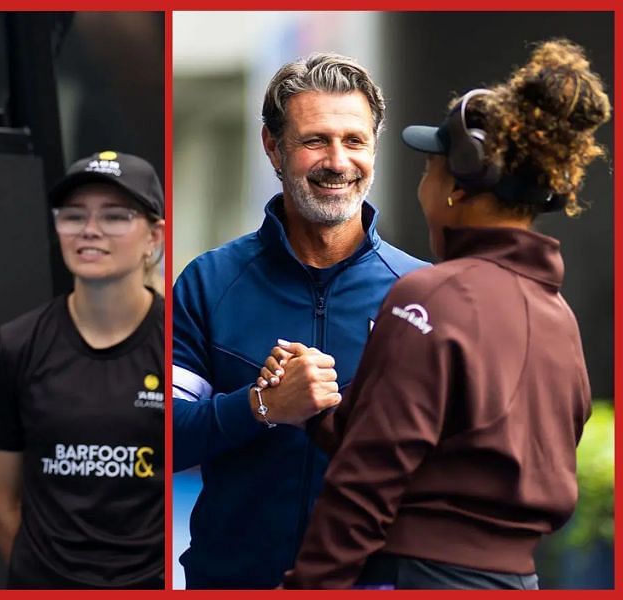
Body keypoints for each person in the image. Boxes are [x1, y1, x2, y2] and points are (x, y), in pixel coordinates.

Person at [254, 39, 610, 590]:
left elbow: (365, 483)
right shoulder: (557, 315)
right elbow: (463, 447)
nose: (424, 185)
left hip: (423, 577)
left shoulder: (431, 296)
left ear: (455, 189)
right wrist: (318, 411)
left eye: (429, 169)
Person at [171, 53, 428, 589]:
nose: (337, 161)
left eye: (354, 140)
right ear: (273, 147)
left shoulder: (422, 294)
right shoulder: (209, 282)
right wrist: (261, 406)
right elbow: (163, 439)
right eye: (315, 140)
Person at [0, 151, 165, 589]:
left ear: (154, 237)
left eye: (115, 216)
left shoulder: (179, 345)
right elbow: (0, 500)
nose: (90, 230)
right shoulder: (14, 345)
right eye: (73, 216)